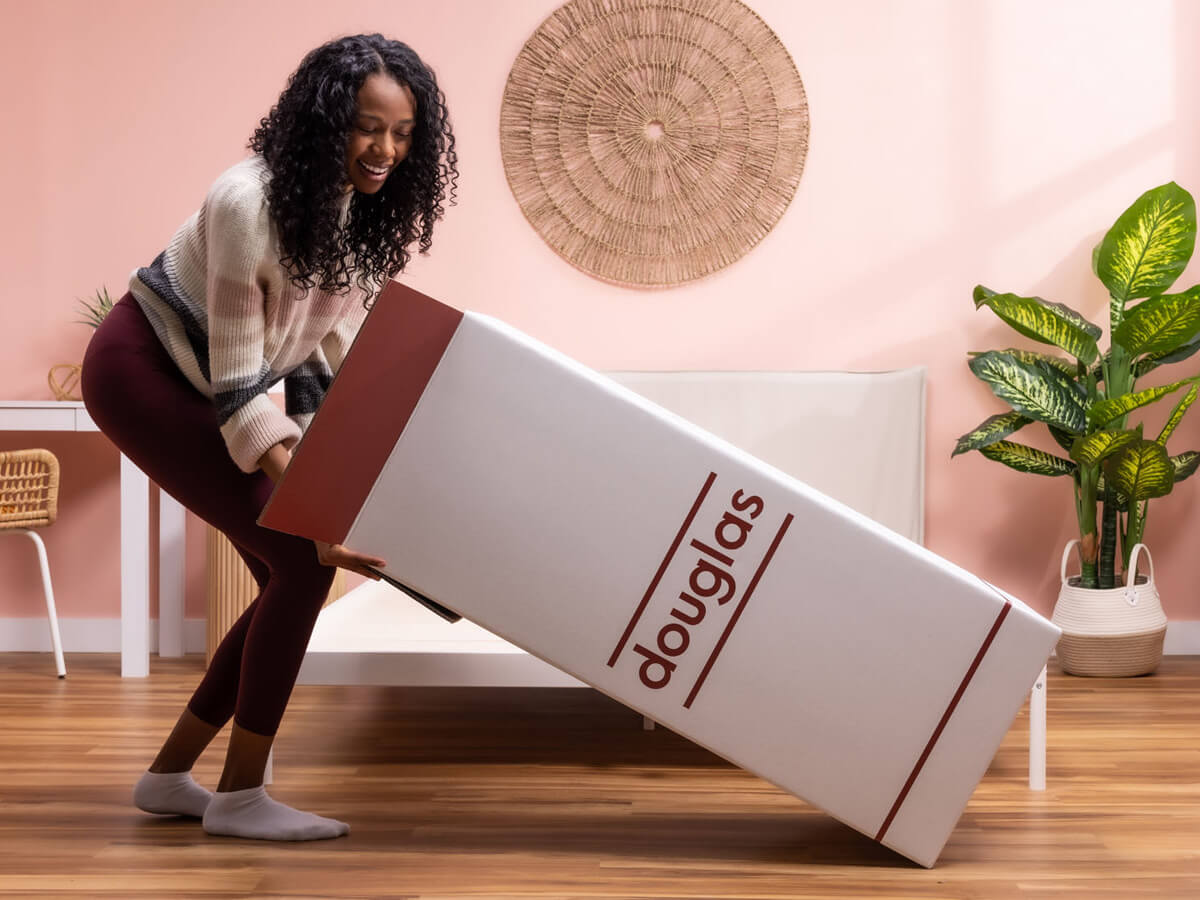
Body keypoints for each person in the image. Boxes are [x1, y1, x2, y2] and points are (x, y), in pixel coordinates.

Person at [80, 33, 458, 841]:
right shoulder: (245, 203)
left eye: (402, 132)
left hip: (215, 382)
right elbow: (243, 386)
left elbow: (320, 351)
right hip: (145, 370)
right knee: (298, 559)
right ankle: (241, 797)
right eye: (367, 126)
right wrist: (314, 507)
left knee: (288, 568)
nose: (385, 149)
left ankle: (168, 777)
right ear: (323, 119)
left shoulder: (357, 211)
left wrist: (359, 468)